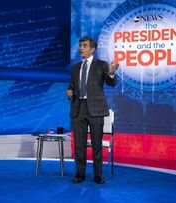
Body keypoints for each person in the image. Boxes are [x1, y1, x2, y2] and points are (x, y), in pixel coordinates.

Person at [66, 36, 118, 184]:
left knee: (96, 144)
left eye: (84, 45)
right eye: (80, 45)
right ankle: (80, 174)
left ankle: (98, 175)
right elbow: (72, 87)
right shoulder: (75, 68)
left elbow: (111, 82)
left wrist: (112, 72)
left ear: (92, 49)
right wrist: (69, 92)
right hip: (78, 109)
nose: (80, 48)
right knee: (79, 145)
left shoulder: (101, 65)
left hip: (95, 109)